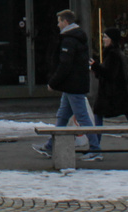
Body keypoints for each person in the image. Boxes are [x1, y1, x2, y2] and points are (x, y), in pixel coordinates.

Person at [34, 9, 101, 161]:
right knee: (62, 116)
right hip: (72, 85)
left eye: (59, 21)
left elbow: (65, 65)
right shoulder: (76, 38)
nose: (57, 25)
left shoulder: (69, 40)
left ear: (65, 22)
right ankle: (51, 146)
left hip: (73, 86)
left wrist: (53, 82)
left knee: (82, 118)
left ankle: (95, 149)